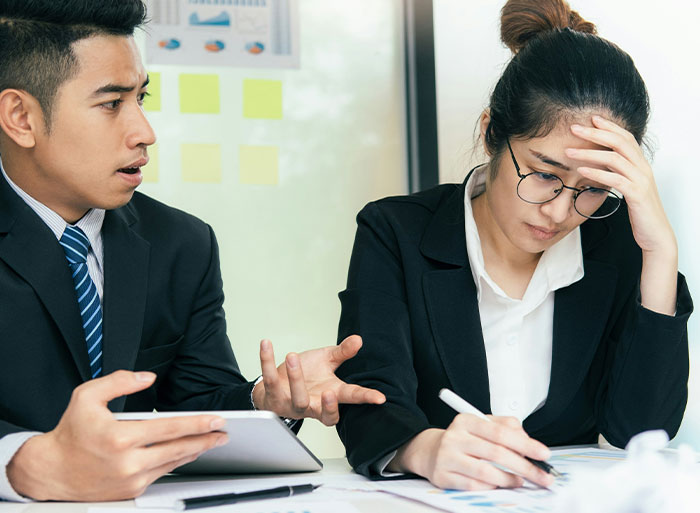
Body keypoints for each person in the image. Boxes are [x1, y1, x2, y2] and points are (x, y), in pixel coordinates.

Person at [0, 0, 385, 502]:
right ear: (21, 117)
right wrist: (25, 465)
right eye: (111, 103)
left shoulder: (181, 243)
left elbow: (199, 401)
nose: (144, 132)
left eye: (142, 98)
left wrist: (264, 402)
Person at [335, 0, 693, 491]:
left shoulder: (615, 246)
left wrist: (660, 255)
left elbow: (643, 431)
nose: (561, 211)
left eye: (592, 188)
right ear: (490, 134)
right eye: (544, 175)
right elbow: (367, 404)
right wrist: (426, 448)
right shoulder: (395, 231)